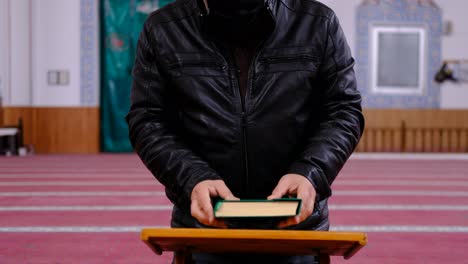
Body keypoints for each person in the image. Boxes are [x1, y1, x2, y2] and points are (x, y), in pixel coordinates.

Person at [126, 0, 364, 263]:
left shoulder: (318, 22)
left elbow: (344, 111)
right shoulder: (163, 29)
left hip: (298, 230)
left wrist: (310, 173)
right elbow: (147, 119)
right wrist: (193, 179)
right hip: (202, 230)